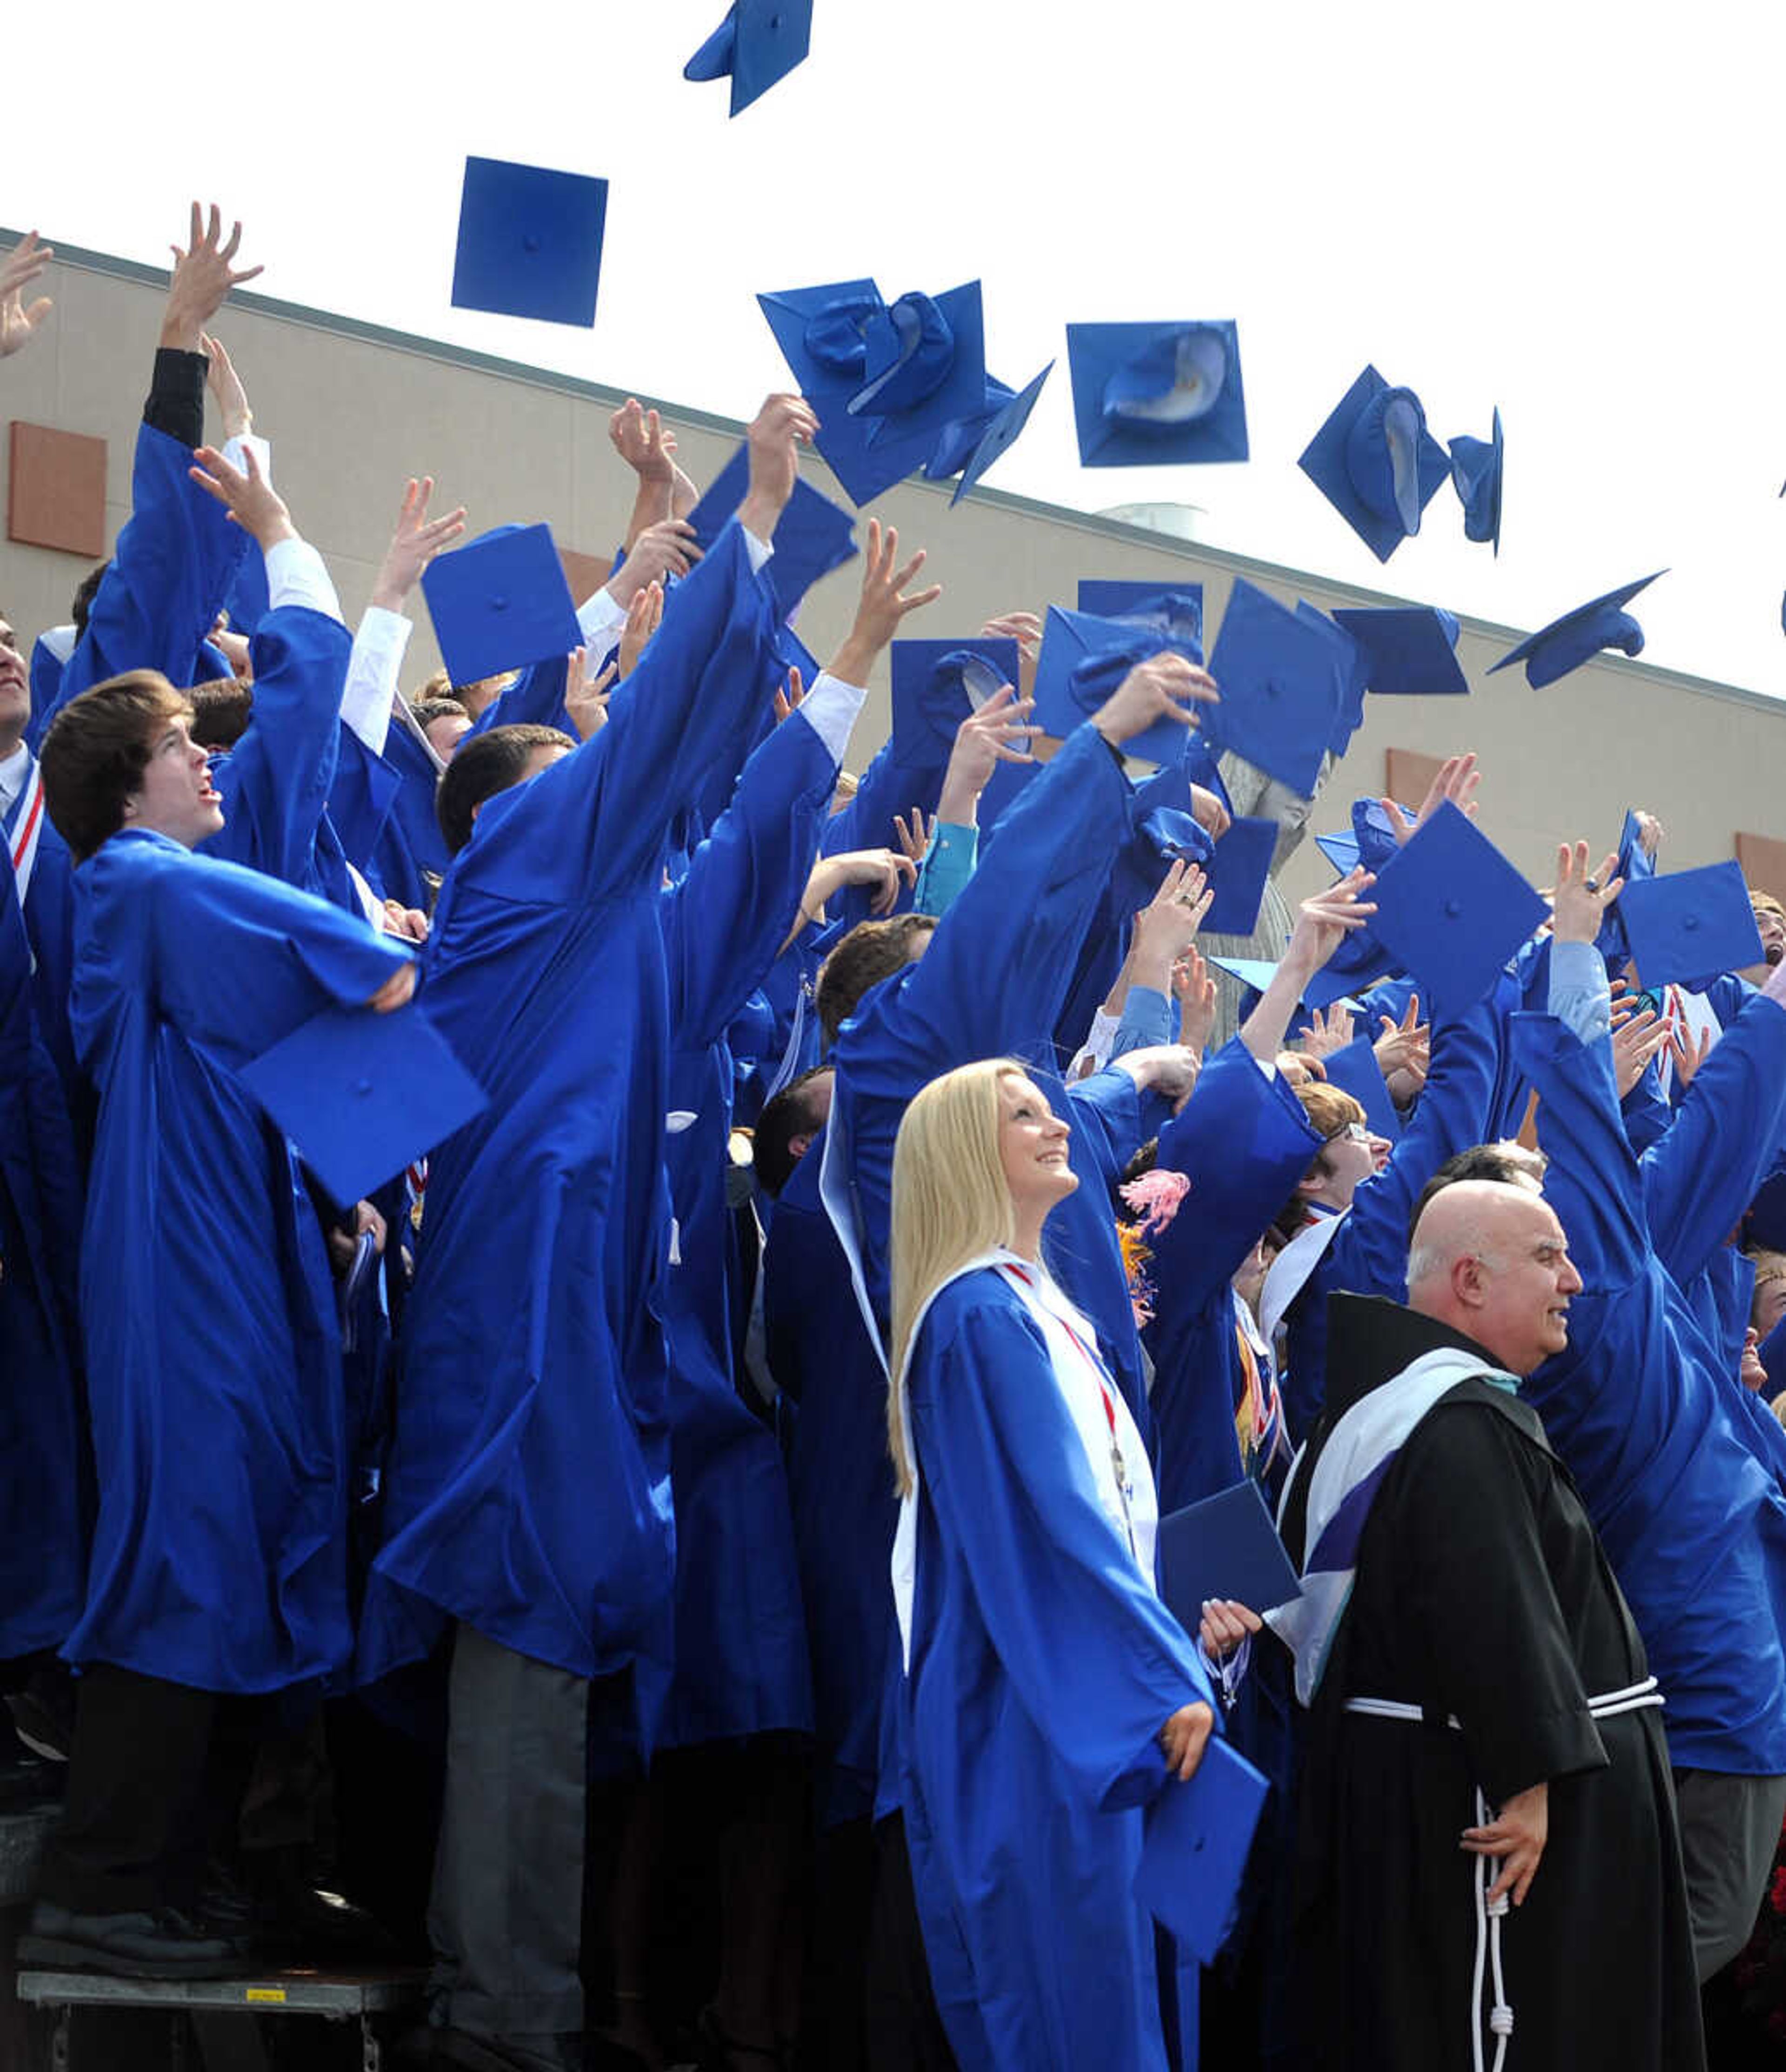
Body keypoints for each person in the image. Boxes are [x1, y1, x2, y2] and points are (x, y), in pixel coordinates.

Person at [19, 664, 418, 1979]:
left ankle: (201, 1873)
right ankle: (105, 1879)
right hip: (179, 1270)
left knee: (244, 1540)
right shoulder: (129, 880)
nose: (209, 762)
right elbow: (341, 967)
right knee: (184, 1543)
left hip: (238, 1265)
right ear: (123, 781)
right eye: (183, 742)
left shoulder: (166, 905)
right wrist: (396, 953)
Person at [1277, 1173, 1704, 2071]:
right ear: (1470, 1281)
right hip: (1473, 1816)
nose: (1574, 1282)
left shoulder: (1369, 1410)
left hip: (1404, 1789)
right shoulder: (1459, 1422)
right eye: (1549, 1258)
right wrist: (1529, 1778)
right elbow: (1491, 1603)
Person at [886, 1057, 1222, 2072]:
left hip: (1080, 1696)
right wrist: (1155, 1671)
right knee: (1074, 2018)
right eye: (1020, 1115)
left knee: (1119, 2009)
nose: (1054, 1123)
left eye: (1048, 1104)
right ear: (959, 1155)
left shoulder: (1044, 1310)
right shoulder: (980, 1315)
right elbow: (1050, 1526)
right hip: (1038, 1709)